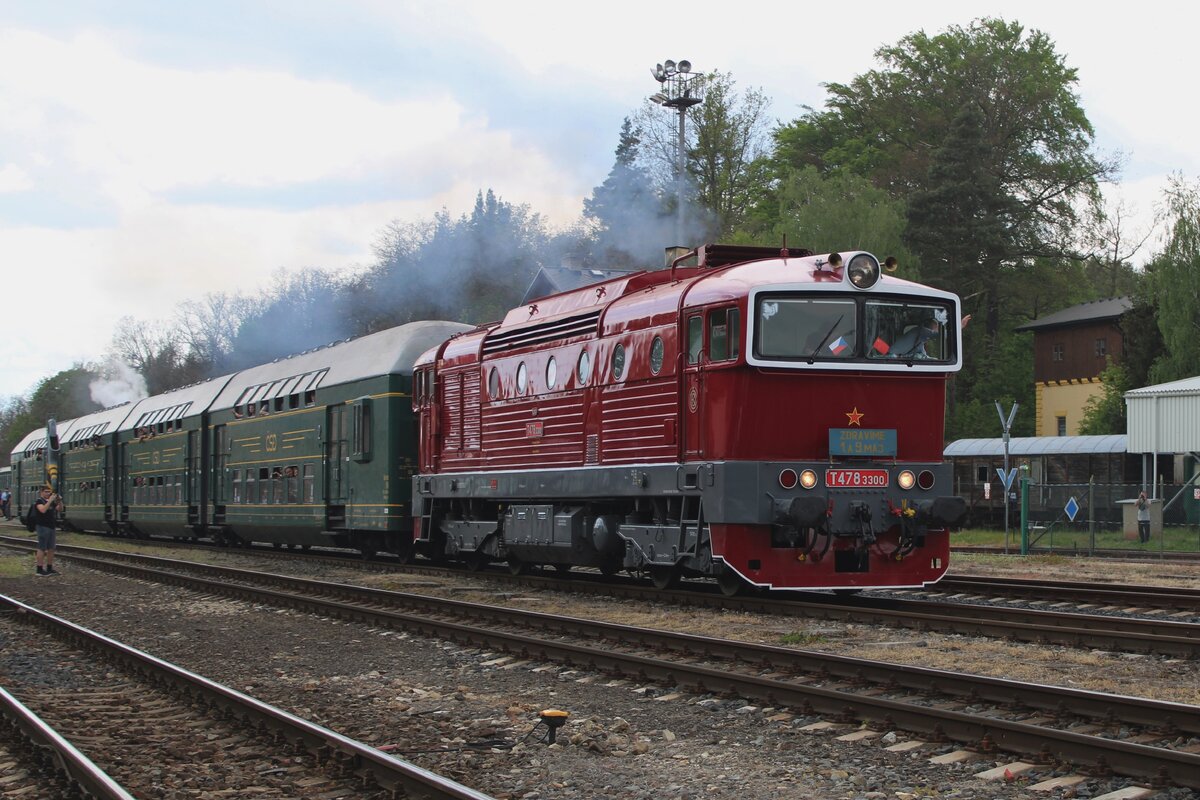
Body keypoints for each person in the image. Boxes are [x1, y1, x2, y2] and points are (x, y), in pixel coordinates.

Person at [30, 485, 63, 576]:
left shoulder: (51, 501)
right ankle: (39, 569)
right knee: (42, 548)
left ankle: (49, 567)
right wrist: (50, 501)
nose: (48, 493)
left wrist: (59, 501)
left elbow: (60, 509)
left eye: (49, 492)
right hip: (42, 526)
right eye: (46, 491)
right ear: (41, 492)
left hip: (51, 526)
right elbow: (43, 510)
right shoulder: (39, 501)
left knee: (51, 548)